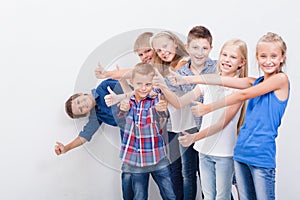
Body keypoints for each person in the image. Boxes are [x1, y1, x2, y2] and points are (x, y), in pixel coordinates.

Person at [169, 32, 290, 200]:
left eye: (273, 56)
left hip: (261, 155)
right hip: (241, 152)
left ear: (282, 57)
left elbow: (242, 95)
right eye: (263, 56)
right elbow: (220, 80)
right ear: (257, 57)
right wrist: (186, 80)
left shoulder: (281, 80)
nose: (268, 61)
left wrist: (208, 108)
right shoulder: (255, 81)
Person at [155, 38, 248, 199]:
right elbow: (179, 102)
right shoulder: (208, 82)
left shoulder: (239, 87)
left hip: (224, 153)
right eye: (224, 55)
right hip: (204, 150)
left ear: (242, 62)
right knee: (208, 195)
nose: (226, 60)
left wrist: (194, 137)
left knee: (221, 196)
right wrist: (163, 85)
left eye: (233, 57)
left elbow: (222, 122)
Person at [153, 26, 218, 200]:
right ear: (188, 48)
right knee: (187, 172)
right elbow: (165, 93)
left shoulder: (217, 67)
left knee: (211, 174)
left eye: (204, 48)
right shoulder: (180, 72)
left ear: (211, 48)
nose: (200, 53)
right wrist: (161, 93)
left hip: (212, 127)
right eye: (195, 48)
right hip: (188, 127)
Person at [54, 79, 135, 200]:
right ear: (85, 113)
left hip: (144, 118)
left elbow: (134, 92)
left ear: (80, 94)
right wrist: (65, 148)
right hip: (129, 132)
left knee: (158, 169)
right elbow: (84, 136)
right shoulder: (96, 115)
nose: (82, 105)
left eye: (78, 102)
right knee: (128, 171)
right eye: (81, 109)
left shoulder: (104, 87)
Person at [106, 62, 176, 200]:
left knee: (169, 194)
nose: (143, 88)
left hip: (157, 156)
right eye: (139, 84)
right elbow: (120, 118)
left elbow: (163, 117)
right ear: (132, 82)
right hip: (136, 160)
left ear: (152, 84)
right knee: (140, 195)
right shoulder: (127, 102)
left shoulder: (156, 100)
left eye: (147, 84)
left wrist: (162, 111)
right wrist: (122, 109)